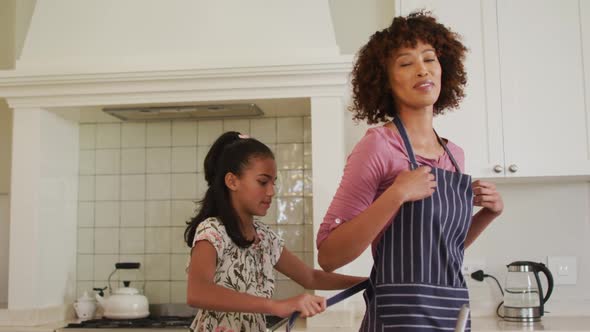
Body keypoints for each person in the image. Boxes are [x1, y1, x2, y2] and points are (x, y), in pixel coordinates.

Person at [316, 11, 504, 331]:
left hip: (451, 312)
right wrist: (396, 194)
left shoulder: (454, 155)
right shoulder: (378, 146)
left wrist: (488, 213)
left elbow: (443, 250)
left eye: (430, 59)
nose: (422, 69)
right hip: (399, 317)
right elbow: (329, 255)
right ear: (385, 81)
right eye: (405, 63)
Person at [184, 131, 366, 332]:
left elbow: (311, 278)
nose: (271, 191)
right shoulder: (212, 232)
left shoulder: (265, 238)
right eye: (263, 182)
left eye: (273, 182)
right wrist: (276, 306)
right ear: (232, 181)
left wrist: (369, 281)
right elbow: (197, 292)